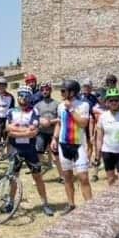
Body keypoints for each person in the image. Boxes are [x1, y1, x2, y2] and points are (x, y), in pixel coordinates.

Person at [6, 86, 54, 216]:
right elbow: (9, 131)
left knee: (37, 177)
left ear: (30, 97)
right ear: (17, 97)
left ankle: (45, 204)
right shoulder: (11, 111)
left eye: (26, 96)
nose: (23, 98)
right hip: (15, 149)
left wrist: (17, 130)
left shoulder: (34, 111)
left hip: (30, 150)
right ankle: (10, 202)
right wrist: (25, 131)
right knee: (13, 177)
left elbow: (33, 132)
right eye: (21, 95)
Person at [50, 80, 93, 215]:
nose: (61, 93)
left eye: (64, 91)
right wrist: (54, 138)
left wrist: (71, 109)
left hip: (78, 145)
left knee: (83, 177)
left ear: (72, 92)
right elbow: (59, 123)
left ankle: (91, 208)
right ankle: (71, 204)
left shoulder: (83, 105)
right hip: (63, 145)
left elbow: (83, 123)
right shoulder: (60, 106)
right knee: (67, 177)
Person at [95, 88, 119, 185]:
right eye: (111, 100)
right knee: (111, 179)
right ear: (107, 102)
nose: (113, 102)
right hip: (107, 152)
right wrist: (97, 156)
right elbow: (99, 138)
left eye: (116, 100)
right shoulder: (103, 117)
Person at [34, 82, 62, 179]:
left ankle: (62, 176)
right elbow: (34, 119)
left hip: (53, 133)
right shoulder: (37, 105)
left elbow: (60, 119)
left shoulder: (57, 104)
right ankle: (38, 177)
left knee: (56, 156)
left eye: (47, 89)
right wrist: (41, 121)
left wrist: (49, 122)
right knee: (39, 155)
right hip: (41, 133)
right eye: (42, 90)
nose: (45, 91)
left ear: (50, 90)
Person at [0, 77, 15, 160]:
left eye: (3, 85)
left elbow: (12, 110)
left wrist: (10, 121)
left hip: (7, 121)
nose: (1, 87)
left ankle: (9, 160)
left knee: (9, 142)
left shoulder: (10, 97)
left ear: (6, 86)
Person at [90, 89, 108, 182]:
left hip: (109, 133)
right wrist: (91, 135)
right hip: (98, 133)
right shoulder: (94, 108)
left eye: (100, 95)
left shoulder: (110, 107)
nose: (98, 98)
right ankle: (95, 174)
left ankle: (110, 172)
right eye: (97, 96)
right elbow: (92, 122)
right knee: (97, 153)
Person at [81, 79, 99, 160]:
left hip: (90, 123)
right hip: (80, 122)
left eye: (88, 87)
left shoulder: (94, 98)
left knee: (90, 143)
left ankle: (87, 160)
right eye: (85, 86)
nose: (87, 88)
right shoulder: (78, 97)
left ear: (91, 88)